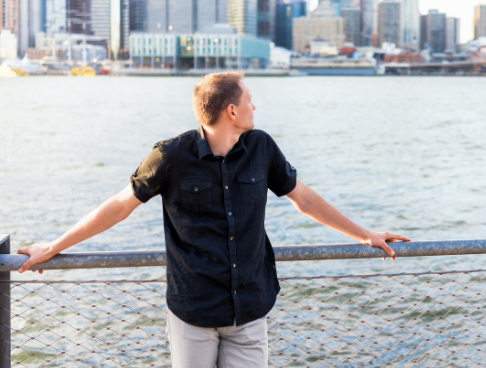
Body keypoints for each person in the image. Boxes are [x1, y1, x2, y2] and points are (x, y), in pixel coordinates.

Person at [17, 71, 409, 367]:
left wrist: (365, 235)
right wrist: (52, 248)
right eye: (250, 100)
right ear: (231, 110)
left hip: (249, 311)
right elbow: (119, 206)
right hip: (193, 312)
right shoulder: (169, 156)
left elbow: (303, 199)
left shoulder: (262, 148)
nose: (256, 107)